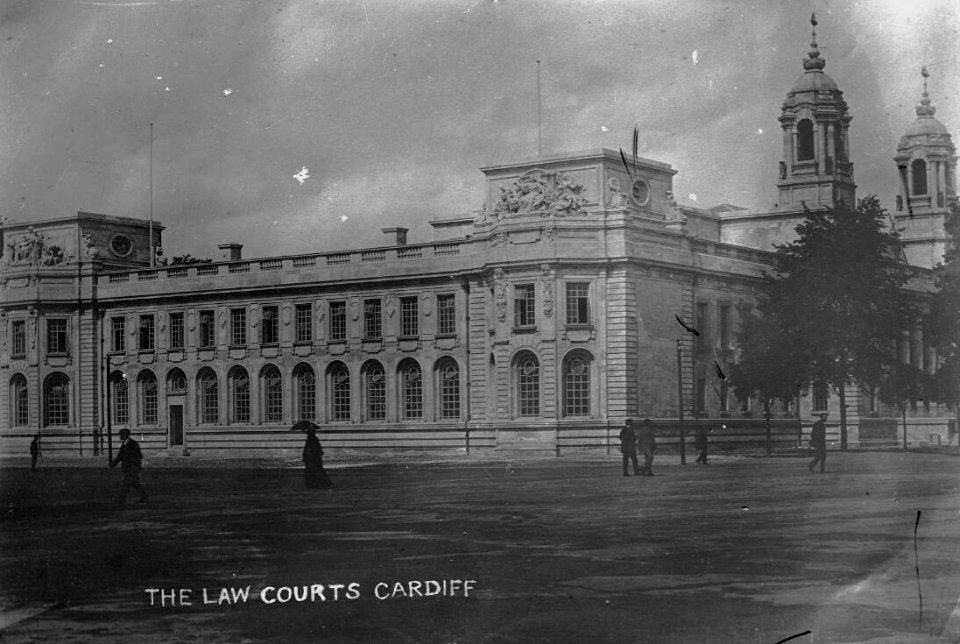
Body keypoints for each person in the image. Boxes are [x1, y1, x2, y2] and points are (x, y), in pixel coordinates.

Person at [110, 428, 148, 505]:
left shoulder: (132, 443)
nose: (120, 436)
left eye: (121, 434)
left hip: (131, 468)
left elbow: (138, 456)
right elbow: (120, 456)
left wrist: (134, 466)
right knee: (135, 484)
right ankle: (144, 498)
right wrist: (113, 464)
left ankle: (121, 500)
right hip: (129, 468)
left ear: (125, 435)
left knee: (126, 485)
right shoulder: (124, 443)